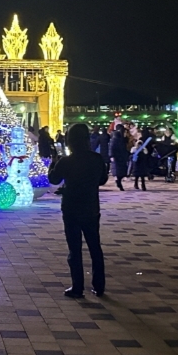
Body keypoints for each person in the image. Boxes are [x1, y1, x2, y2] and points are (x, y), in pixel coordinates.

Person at [48, 123, 106, 298]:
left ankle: (77, 286)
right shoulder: (96, 159)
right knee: (95, 247)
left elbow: (54, 179)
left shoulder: (67, 161)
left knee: (75, 249)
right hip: (91, 207)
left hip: (72, 207)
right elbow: (102, 180)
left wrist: (53, 162)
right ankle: (99, 285)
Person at [109, 124, 129, 191]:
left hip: (122, 155)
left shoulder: (122, 137)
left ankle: (119, 181)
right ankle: (118, 182)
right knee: (118, 170)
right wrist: (112, 155)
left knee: (122, 170)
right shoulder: (115, 137)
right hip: (118, 156)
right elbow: (112, 147)